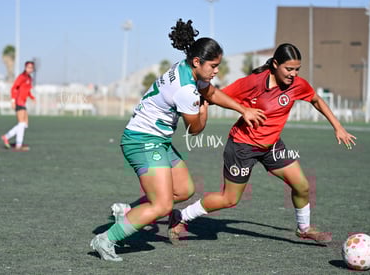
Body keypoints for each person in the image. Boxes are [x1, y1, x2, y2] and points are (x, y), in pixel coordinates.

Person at [89, 19, 266, 262]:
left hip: (157, 139)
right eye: (213, 66)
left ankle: (127, 211)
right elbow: (194, 129)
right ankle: (106, 239)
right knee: (161, 206)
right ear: (197, 62)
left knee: (184, 190)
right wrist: (204, 110)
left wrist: (242, 110)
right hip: (142, 141)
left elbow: (211, 92)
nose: (216, 71)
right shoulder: (186, 89)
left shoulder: (186, 68)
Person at [168, 43, 357, 245]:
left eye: (297, 70)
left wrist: (338, 126)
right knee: (229, 199)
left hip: (272, 146)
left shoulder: (298, 85)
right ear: (275, 64)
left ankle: (304, 229)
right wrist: (200, 109)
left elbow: (316, 99)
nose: (293, 74)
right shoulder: (253, 82)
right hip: (242, 146)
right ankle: (181, 216)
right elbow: (214, 96)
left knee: (301, 186)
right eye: (289, 69)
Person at [1, 61, 36, 151]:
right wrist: (13, 100)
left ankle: (7, 137)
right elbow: (14, 87)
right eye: (28, 67)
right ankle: (18, 145)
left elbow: (27, 91)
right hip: (18, 101)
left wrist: (32, 97)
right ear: (25, 67)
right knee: (21, 123)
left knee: (25, 124)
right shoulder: (22, 77)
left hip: (23, 102)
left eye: (31, 67)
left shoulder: (29, 78)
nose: (30, 69)